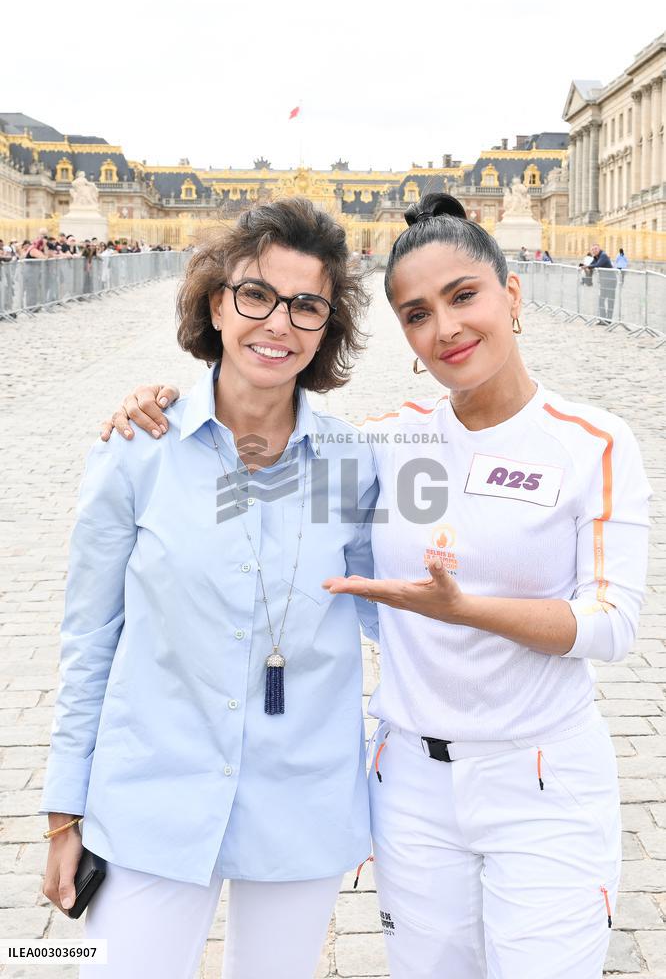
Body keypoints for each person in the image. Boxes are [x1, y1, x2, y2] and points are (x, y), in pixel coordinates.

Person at [111, 194, 650, 979]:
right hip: (411, 788)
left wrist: (468, 612)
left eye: (464, 296)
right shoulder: (395, 443)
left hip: (541, 780)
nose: (446, 329)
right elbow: (266, 513)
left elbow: (612, 623)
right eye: (417, 313)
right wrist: (167, 408)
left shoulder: (590, 443)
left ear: (513, 295)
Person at [41, 198, 378, 979]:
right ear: (217, 304)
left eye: (307, 306)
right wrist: (63, 814)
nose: (278, 323)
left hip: (301, 799)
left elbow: (392, 617)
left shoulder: (357, 465)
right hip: (151, 795)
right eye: (256, 294)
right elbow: (89, 639)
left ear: (327, 328)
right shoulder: (137, 451)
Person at [589, 243, 616, 322]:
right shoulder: (596, 257)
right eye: (593, 249)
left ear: (599, 249)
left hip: (611, 281)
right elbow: (591, 264)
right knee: (601, 300)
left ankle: (608, 320)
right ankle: (603, 319)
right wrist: (586, 266)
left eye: (596, 249)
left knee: (610, 301)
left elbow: (597, 265)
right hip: (603, 281)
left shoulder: (603, 255)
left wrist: (587, 267)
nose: (594, 251)